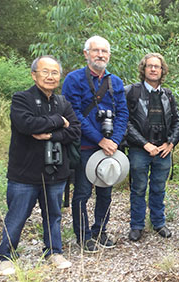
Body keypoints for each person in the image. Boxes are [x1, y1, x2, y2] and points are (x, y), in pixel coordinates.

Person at [0, 55, 81, 275]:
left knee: (53, 215)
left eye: (54, 72)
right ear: (34, 75)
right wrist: (58, 121)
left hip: (55, 171)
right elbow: (26, 124)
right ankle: (6, 255)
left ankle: (54, 251)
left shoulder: (63, 102)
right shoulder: (21, 99)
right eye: (45, 71)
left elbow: (75, 131)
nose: (50, 76)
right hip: (24, 172)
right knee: (16, 215)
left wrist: (49, 133)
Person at [62, 36, 129, 252]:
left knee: (105, 192)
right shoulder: (73, 80)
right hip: (85, 147)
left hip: (110, 148)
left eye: (104, 51)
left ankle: (101, 230)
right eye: (96, 50)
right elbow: (73, 114)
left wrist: (114, 141)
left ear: (109, 55)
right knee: (82, 192)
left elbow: (122, 113)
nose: (100, 54)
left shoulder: (115, 82)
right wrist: (99, 139)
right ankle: (83, 235)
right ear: (86, 54)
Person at [125, 53, 179, 242]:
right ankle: (137, 225)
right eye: (149, 66)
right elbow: (125, 122)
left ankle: (158, 223)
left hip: (162, 150)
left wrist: (171, 142)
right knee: (138, 188)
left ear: (162, 70)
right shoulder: (131, 92)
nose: (153, 69)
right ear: (143, 69)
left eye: (157, 66)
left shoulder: (167, 95)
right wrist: (144, 143)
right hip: (139, 150)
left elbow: (178, 121)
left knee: (159, 188)